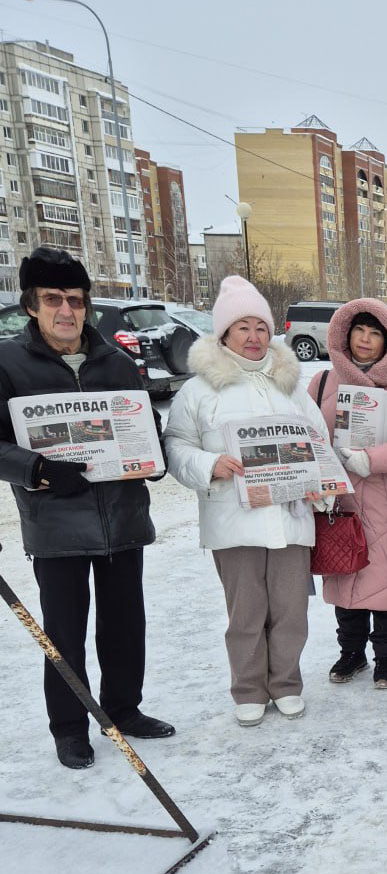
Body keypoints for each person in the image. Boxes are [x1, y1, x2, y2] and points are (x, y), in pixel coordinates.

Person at [0, 247, 174, 769]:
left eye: (75, 300)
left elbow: (141, 423)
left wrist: (151, 445)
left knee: (125, 623)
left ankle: (124, 708)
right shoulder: (8, 363)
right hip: (55, 523)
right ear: (32, 304)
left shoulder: (115, 361)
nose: (66, 311)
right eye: (53, 299)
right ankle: (71, 728)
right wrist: (38, 469)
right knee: (64, 630)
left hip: (121, 516)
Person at [165, 276, 331, 727]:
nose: (254, 336)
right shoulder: (200, 390)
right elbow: (175, 445)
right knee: (246, 611)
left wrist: (322, 484)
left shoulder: (291, 385)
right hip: (233, 518)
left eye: (261, 326)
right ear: (224, 334)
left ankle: (286, 683)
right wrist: (208, 464)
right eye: (243, 327)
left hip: (291, 514)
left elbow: (318, 442)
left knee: (291, 610)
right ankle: (249, 688)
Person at [308, 300, 387, 689]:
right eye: (359, 330)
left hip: (386, 500)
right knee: (344, 577)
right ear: (345, 333)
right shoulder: (322, 383)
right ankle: (351, 652)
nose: (365, 339)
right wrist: (316, 483)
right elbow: (306, 439)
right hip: (337, 499)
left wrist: (370, 460)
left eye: (375, 333)